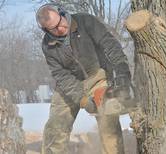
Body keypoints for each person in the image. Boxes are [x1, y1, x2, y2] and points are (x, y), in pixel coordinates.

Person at [36, 3, 132, 154]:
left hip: (97, 75)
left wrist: (121, 71)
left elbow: (110, 45)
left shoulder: (85, 21)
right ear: (45, 29)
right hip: (69, 83)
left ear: (62, 13)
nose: (60, 28)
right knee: (56, 125)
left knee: (108, 118)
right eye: (53, 28)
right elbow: (61, 75)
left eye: (60, 22)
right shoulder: (48, 45)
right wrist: (83, 100)